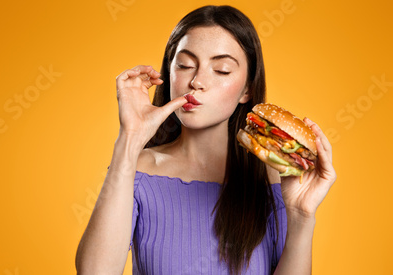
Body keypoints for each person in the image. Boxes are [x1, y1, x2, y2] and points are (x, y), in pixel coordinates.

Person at [75, 5, 336, 275]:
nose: (197, 81)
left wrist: (302, 217)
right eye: (185, 65)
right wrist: (129, 139)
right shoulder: (136, 171)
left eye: (221, 70)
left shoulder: (276, 181)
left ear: (247, 89)